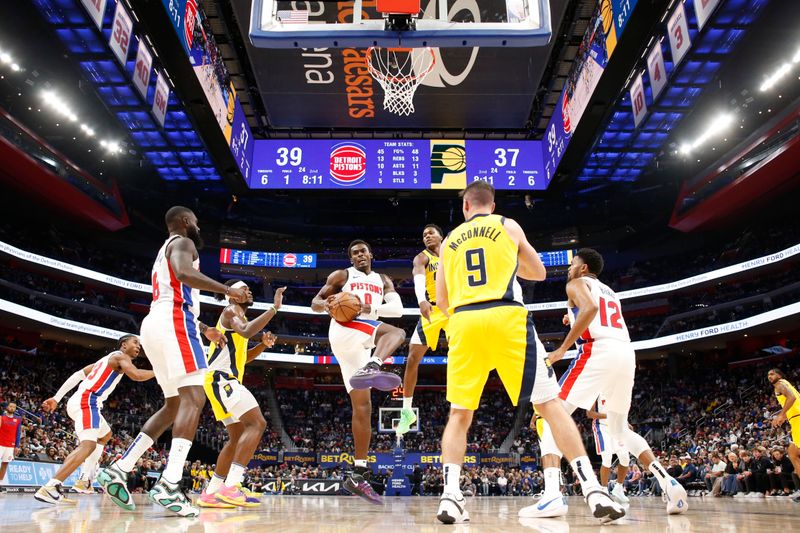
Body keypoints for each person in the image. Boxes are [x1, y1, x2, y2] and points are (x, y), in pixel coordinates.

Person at [434, 181, 623, 524]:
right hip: (507, 317)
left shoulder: (448, 242)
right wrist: (507, 262)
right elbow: (538, 271)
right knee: (549, 405)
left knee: (459, 414)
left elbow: (442, 302)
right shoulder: (507, 225)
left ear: (465, 208)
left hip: (464, 321)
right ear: (491, 205)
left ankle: (449, 497)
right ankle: (592, 488)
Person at [98, 206, 247, 517]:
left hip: (157, 323)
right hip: (174, 323)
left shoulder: (163, 249)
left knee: (174, 405)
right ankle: (169, 482)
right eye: (196, 220)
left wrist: (205, 328)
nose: (198, 225)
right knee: (194, 396)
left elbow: (174, 289)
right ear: (184, 221)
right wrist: (226, 290)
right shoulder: (184, 242)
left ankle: (120, 468)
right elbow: (182, 274)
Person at [533, 248, 687, 517]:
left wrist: (561, 350)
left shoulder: (576, 283)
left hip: (598, 351)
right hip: (625, 353)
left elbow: (591, 309)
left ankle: (551, 495)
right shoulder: (609, 291)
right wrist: (574, 319)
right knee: (619, 430)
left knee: (549, 416)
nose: (569, 268)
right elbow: (599, 313)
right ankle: (668, 481)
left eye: (572, 264)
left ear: (583, 268)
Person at [310, 239, 406, 504]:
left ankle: (358, 474)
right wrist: (327, 304)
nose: (359, 255)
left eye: (363, 251)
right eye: (354, 253)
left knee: (363, 407)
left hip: (360, 339)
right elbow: (314, 302)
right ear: (350, 259)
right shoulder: (342, 275)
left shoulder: (383, 279)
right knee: (396, 334)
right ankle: (374, 365)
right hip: (345, 327)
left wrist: (367, 308)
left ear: (371, 254)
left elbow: (396, 309)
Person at [35, 335, 154, 504]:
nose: (138, 346)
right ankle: (52, 486)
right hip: (88, 401)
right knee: (88, 445)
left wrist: (56, 398)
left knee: (105, 435)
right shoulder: (121, 356)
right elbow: (136, 375)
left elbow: (77, 375)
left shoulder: (104, 360)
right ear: (123, 344)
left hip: (82, 401)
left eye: (139, 344)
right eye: (135, 342)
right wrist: (160, 373)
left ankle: (84, 480)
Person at [198, 280, 284, 508]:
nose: (249, 291)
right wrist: (274, 308)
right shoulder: (231, 311)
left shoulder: (239, 318)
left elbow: (242, 358)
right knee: (257, 424)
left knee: (236, 437)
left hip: (219, 380)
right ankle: (232, 486)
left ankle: (212, 492)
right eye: (244, 289)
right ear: (234, 295)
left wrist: (263, 346)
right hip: (222, 379)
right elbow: (246, 331)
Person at [397, 224, 448, 436]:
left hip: (455, 308)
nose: (427, 236)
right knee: (412, 358)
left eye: (431, 233)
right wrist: (421, 300)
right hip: (432, 310)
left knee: (461, 354)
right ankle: (407, 411)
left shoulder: (452, 251)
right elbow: (418, 276)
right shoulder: (422, 257)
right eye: (424, 234)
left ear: (441, 236)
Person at [586, 395, 630, 504]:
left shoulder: (617, 391)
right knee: (607, 457)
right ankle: (604, 490)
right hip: (601, 427)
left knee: (625, 458)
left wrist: (625, 423)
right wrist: (608, 416)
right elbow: (589, 414)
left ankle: (618, 488)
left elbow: (620, 412)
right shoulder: (596, 392)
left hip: (617, 427)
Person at [767, 367, 800, 501]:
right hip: (796, 419)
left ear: (779, 375)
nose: (769, 376)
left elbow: (791, 398)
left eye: (772, 373)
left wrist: (780, 415)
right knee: (792, 453)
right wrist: (784, 418)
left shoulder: (780, 384)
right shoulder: (786, 384)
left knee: (793, 454)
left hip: (798, 419)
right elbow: (794, 403)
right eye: (768, 375)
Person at [0, 402, 22, 492]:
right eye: (11, 406)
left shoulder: (18, 419)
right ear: (7, 407)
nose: (12, 408)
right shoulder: (2, 417)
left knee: (5, 464)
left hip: (10, 446)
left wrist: (16, 446)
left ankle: (0, 483)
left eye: (14, 407)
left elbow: (18, 433)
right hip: (0, 444)